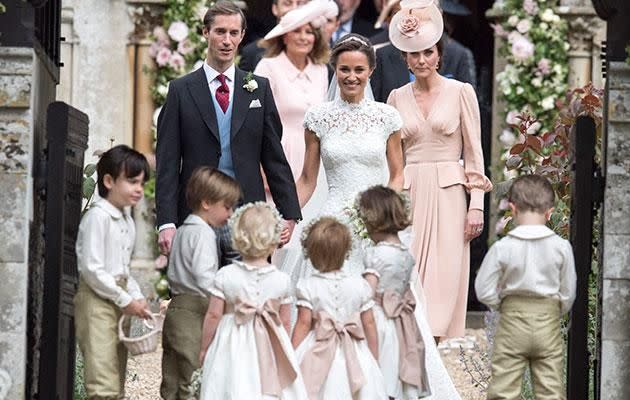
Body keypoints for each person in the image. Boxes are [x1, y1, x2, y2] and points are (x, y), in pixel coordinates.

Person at [156, 1, 301, 266]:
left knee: (247, 298)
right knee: (201, 297)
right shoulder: (180, 90)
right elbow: (167, 162)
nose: (227, 40)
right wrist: (166, 221)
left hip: (248, 215)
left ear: (242, 36)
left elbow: (274, 157)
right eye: (220, 32)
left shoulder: (259, 88)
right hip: (197, 213)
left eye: (234, 33)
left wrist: (289, 213)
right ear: (205, 33)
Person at [386, 1, 492, 340]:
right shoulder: (395, 97)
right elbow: (392, 157)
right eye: (414, 54)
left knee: (446, 274)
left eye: (428, 52)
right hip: (410, 191)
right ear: (405, 58)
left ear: (439, 55)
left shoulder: (462, 92)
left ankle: (434, 347)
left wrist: (476, 203)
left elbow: (475, 153)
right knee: (410, 270)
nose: (421, 60)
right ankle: (412, 345)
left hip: (449, 193)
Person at [289, 33, 404, 281]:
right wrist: (285, 215)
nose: (352, 77)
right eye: (344, 69)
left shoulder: (387, 117)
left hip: (376, 222)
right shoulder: (318, 118)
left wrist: (383, 213)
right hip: (333, 221)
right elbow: (308, 179)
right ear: (335, 70)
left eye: (359, 69)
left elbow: (398, 174)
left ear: (371, 70)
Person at [475, 175, 576, 400]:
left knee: (504, 387)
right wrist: (555, 309)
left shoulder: (504, 247)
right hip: (547, 322)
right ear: (549, 211)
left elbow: (483, 288)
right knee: (550, 387)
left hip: (512, 321)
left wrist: (502, 304)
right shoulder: (561, 247)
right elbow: (568, 291)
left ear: (512, 209)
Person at [198, 202, 308, 399]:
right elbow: (284, 321)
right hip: (270, 340)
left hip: (231, 341)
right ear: (274, 240)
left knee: (229, 382)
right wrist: (286, 350)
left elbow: (214, 315)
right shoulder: (281, 280)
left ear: (237, 237)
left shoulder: (226, 275)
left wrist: (205, 348)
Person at [74, 145, 152, 399]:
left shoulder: (126, 220)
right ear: (108, 181)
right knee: (102, 380)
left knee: (116, 377)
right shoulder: (98, 218)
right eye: (132, 182)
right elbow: (92, 269)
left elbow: (123, 269)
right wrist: (125, 299)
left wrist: (136, 295)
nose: (138, 189)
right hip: (97, 301)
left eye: (141, 183)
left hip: (119, 299)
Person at [160, 167, 240, 400]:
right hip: (195, 311)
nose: (230, 214)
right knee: (192, 373)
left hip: (175, 307)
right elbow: (204, 276)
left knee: (172, 374)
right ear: (207, 203)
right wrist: (225, 295)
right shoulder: (204, 234)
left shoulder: (182, 230)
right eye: (227, 207)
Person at [255, 0, 336, 227]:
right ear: (284, 36)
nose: (303, 37)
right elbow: (256, 121)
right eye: (297, 31)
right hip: (279, 152)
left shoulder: (321, 70)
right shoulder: (267, 67)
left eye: (309, 32)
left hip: (314, 154)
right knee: (278, 224)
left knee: (311, 223)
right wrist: (262, 168)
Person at [291, 217, 387, 399]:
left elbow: (303, 324)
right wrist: (373, 357)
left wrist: (292, 355)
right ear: (346, 251)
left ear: (312, 253)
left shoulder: (308, 285)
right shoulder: (360, 286)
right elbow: (369, 324)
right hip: (354, 350)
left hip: (316, 348)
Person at [358, 186, 431, 399]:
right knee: (399, 362)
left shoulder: (375, 255)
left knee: (381, 368)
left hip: (380, 319)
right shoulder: (406, 255)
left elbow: (366, 294)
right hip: (403, 321)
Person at [239, 0, 310, 73]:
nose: (294, 9)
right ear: (275, 9)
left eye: (300, 4)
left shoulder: (316, 51)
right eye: (287, 4)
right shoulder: (252, 53)